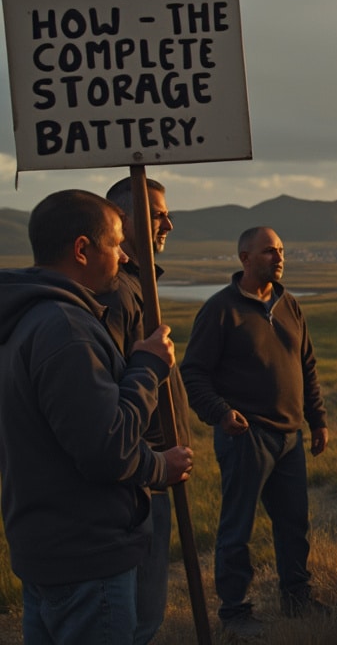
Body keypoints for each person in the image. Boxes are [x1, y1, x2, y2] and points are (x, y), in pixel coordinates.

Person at [0, 189, 192, 645]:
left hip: (45, 542)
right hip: (87, 549)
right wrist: (148, 369)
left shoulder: (25, 318)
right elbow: (107, 448)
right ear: (83, 249)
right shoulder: (66, 329)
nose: (124, 255)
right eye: (117, 244)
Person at [182, 226, 329, 638]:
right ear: (244, 258)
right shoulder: (220, 310)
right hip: (246, 437)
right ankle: (235, 612)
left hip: (290, 436)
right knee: (237, 529)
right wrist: (220, 413)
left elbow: (308, 367)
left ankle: (297, 597)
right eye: (268, 251)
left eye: (281, 250)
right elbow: (193, 372)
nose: (278, 257)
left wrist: (317, 420)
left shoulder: (290, 305)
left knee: (293, 524)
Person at [99, 176, 194, 645]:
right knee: (136, 615)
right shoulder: (118, 294)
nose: (169, 224)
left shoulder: (138, 286)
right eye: (158, 214)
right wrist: (152, 463)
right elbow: (113, 393)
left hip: (155, 468)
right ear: (124, 220)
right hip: (140, 476)